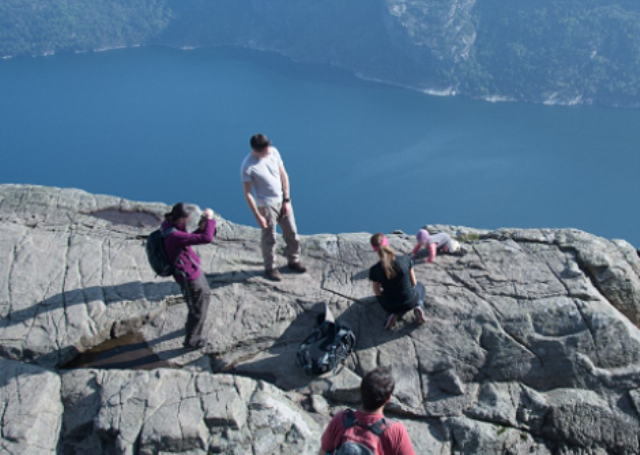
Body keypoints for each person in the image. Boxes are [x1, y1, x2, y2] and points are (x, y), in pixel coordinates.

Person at [241, 133, 307, 281]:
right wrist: (258, 215)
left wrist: (287, 199)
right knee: (269, 239)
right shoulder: (248, 166)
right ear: (257, 149)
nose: (269, 149)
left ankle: (294, 260)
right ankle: (270, 268)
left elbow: (284, 175)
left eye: (268, 145)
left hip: (282, 200)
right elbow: (248, 194)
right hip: (266, 206)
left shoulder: (274, 152)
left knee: (292, 233)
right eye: (265, 147)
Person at [319, 366, 416, 455]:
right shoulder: (395, 431)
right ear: (388, 399)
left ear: (361, 392)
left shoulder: (340, 420)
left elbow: (323, 453)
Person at [161, 203, 216, 350]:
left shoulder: (169, 224)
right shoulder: (174, 235)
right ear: (181, 219)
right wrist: (210, 219)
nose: (191, 220)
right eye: (188, 218)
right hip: (189, 277)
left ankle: (194, 325)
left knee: (204, 297)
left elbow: (190, 237)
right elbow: (207, 238)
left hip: (192, 270)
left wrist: (201, 227)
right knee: (197, 309)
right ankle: (192, 340)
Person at [369, 233, 427, 330]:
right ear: (387, 243)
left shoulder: (375, 269)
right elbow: (413, 283)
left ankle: (392, 314)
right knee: (420, 286)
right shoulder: (405, 259)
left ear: (374, 249)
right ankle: (419, 306)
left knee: (382, 296)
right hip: (410, 301)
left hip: (390, 306)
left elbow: (377, 292)